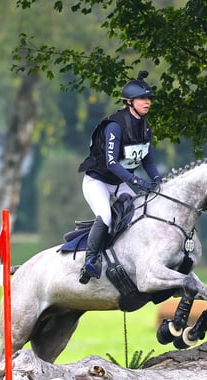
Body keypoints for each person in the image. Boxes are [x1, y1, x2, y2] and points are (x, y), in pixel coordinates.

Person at [76, 70, 162, 284]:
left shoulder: (145, 128)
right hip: (97, 182)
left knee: (139, 213)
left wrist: (158, 181)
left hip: (118, 183)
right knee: (105, 216)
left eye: (149, 99)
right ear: (129, 102)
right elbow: (112, 163)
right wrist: (136, 181)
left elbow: (148, 162)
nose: (147, 103)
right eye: (142, 99)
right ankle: (90, 261)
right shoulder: (115, 126)